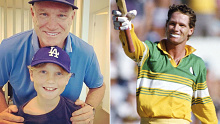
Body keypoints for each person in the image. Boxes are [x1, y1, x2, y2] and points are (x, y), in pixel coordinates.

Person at [0, 0, 105, 123]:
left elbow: (98, 86)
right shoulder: (9, 48)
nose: (52, 25)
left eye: (61, 15)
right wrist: (3, 113)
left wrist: (89, 108)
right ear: (33, 14)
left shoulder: (86, 52)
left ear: (72, 17)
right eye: (44, 14)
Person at [112, 4, 218, 124]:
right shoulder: (150, 51)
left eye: (182, 25)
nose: (176, 28)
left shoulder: (197, 63)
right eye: (173, 23)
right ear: (166, 25)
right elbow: (133, 48)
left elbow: (203, 104)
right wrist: (126, 29)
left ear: (191, 30)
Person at [15, 46, 81, 124]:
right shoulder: (17, 118)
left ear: (67, 79)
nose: (50, 80)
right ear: (31, 74)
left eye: (59, 73)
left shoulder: (76, 114)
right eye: (43, 72)